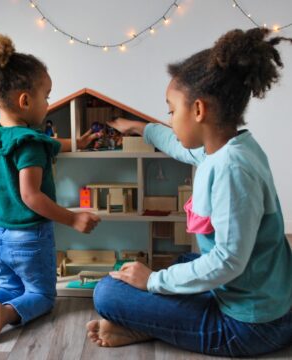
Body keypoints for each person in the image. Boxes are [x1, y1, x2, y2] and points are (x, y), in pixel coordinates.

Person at [87, 28, 292, 357]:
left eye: (171, 110)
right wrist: (140, 127)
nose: (170, 118)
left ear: (198, 110)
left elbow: (226, 261)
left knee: (108, 293)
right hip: (258, 296)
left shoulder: (232, 169)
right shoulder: (227, 148)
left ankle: (145, 325)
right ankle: (147, 323)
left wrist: (152, 282)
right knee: (182, 261)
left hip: (252, 327)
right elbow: (179, 145)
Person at [0, 32, 101, 346]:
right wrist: (72, 218)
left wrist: (75, 143)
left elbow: (40, 144)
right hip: (29, 237)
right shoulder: (30, 144)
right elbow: (31, 196)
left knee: (10, 288)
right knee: (41, 295)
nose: (49, 103)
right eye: (47, 96)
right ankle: (3, 316)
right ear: (25, 100)